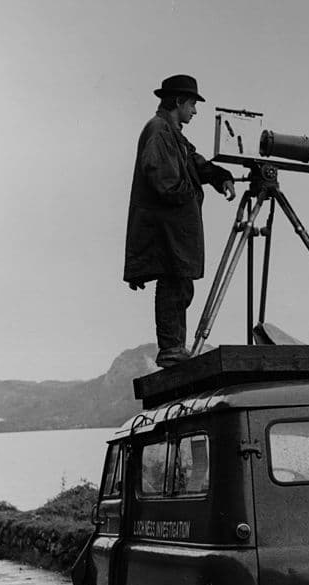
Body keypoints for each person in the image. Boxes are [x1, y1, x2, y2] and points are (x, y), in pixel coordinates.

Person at [124, 74, 237, 368]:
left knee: (180, 286)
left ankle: (175, 348)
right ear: (178, 102)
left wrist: (219, 177)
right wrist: (192, 195)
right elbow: (164, 181)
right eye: (192, 104)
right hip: (167, 230)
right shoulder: (158, 130)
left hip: (174, 230)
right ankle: (172, 350)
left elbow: (194, 161)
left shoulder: (170, 132)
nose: (195, 112)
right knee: (174, 284)